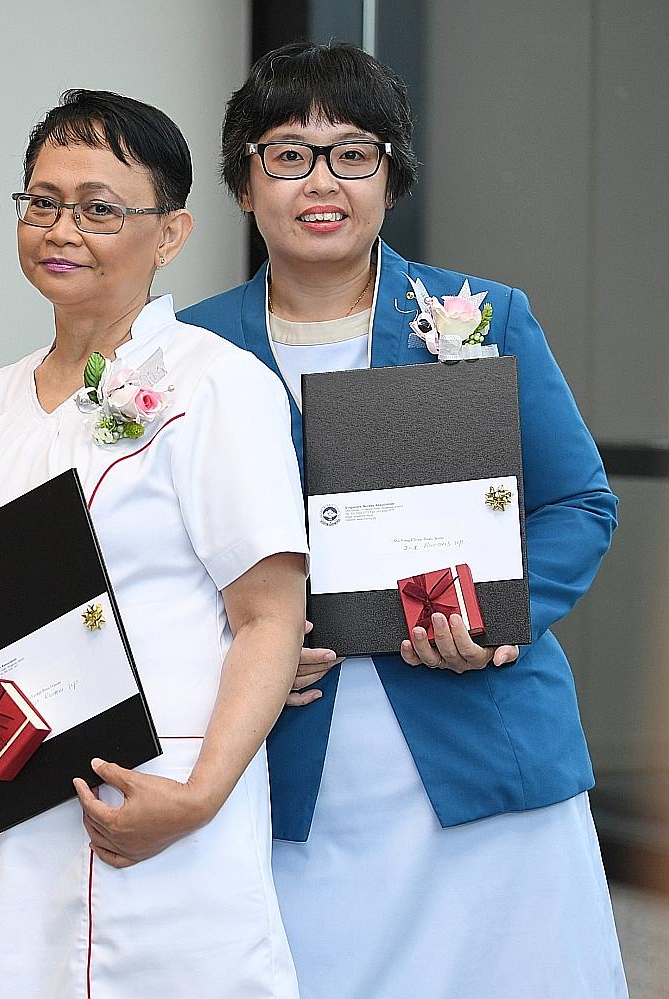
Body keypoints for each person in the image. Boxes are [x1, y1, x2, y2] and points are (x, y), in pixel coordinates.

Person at [180, 42, 628, 999]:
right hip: (288, 758)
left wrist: (494, 612)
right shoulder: (188, 349)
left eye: (354, 153)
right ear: (244, 183)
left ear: (392, 176)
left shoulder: (482, 316)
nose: (322, 182)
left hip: (481, 739)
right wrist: (237, 646)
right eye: (288, 154)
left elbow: (579, 503)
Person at [0, 90, 307, 998]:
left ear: (170, 234)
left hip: (154, 795)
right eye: (42, 202)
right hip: (7, 796)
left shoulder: (218, 386)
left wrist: (200, 795)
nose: (62, 230)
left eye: (98, 209)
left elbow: (269, 618)